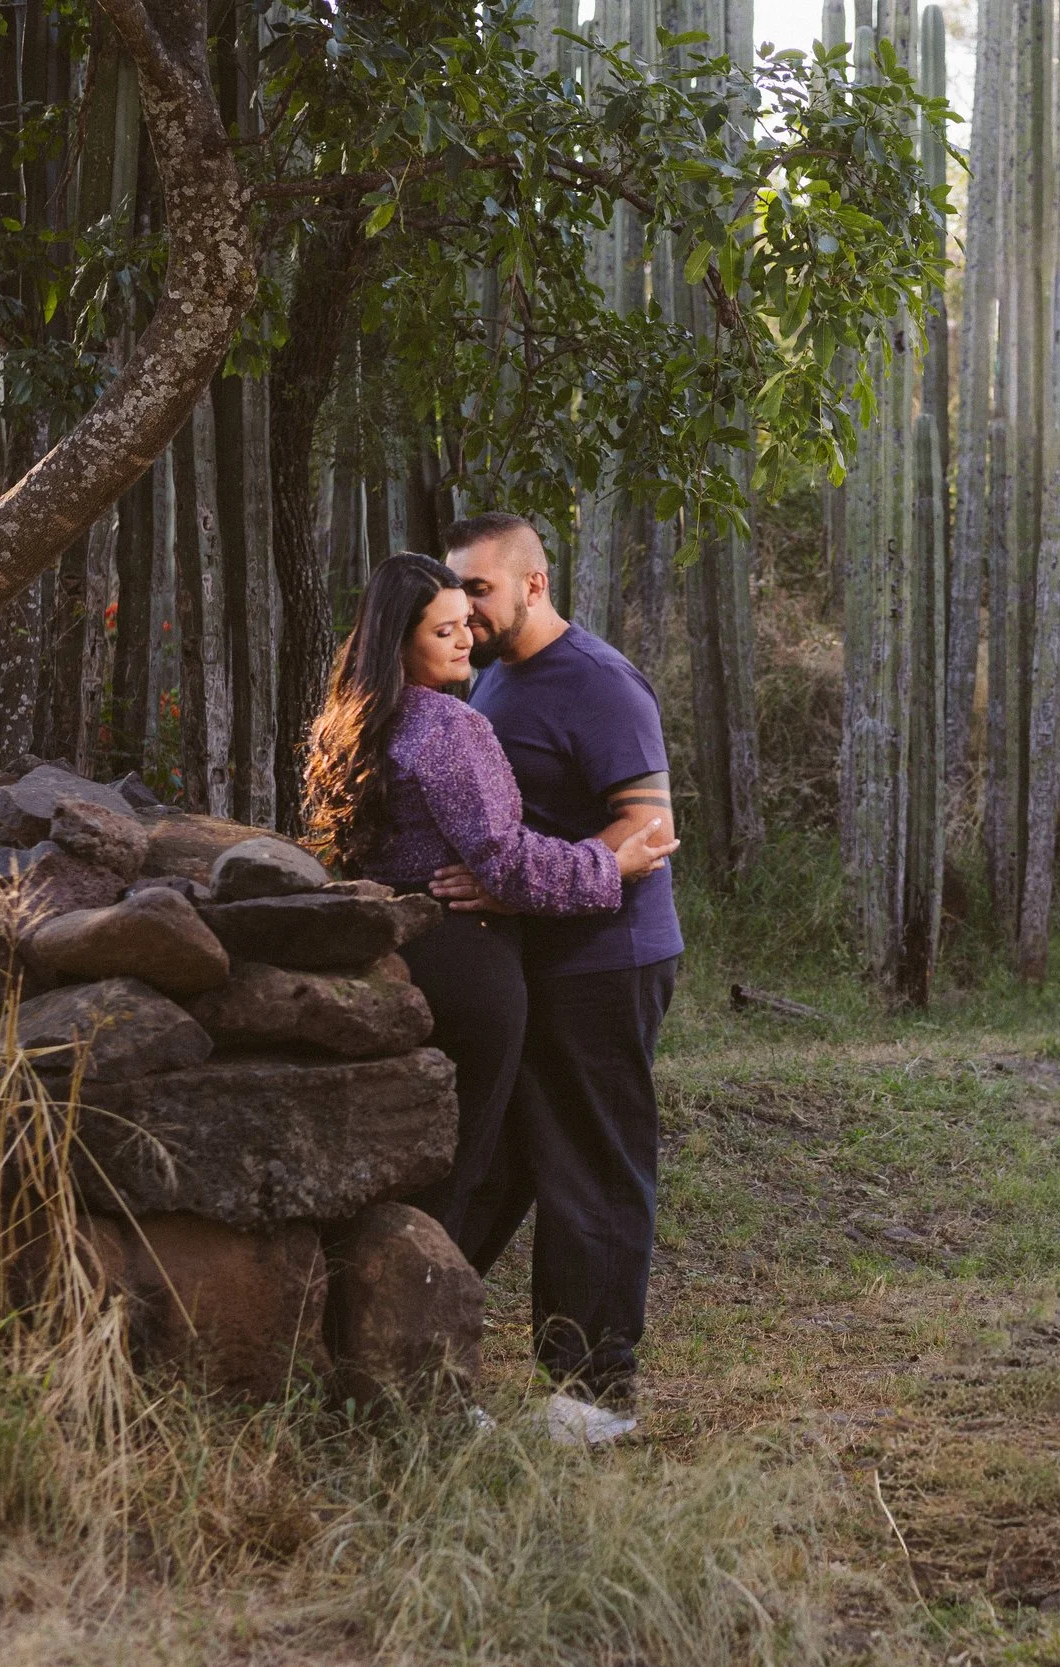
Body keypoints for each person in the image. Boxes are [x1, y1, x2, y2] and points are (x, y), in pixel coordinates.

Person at [302, 553, 675, 1249]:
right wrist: (607, 862)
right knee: (460, 1163)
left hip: (394, 956)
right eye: (444, 632)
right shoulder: (451, 726)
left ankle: (378, 1311)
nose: (466, 639)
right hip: (470, 963)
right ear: (401, 641)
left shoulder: (347, 723)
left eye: (467, 623)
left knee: (412, 1153)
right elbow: (503, 862)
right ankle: (412, 1322)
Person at [434, 511, 681, 1447]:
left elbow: (646, 833)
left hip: (607, 961)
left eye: (481, 589)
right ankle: (417, 1350)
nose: (466, 607)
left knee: (593, 1167)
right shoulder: (490, 672)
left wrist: (514, 884)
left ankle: (596, 1395)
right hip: (526, 961)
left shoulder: (601, 685)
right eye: (456, 591)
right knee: (494, 1163)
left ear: (535, 584)